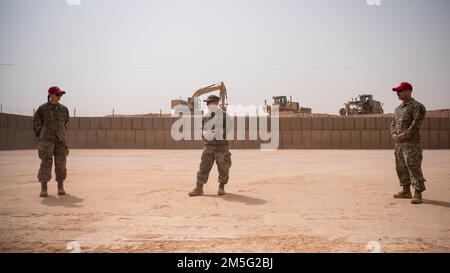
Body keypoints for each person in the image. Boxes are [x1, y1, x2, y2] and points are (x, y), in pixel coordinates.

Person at [390, 82, 427, 204]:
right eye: (397, 92)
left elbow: (416, 124)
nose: (397, 94)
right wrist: (394, 134)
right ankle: (406, 191)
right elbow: (393, 124)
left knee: (413, 167)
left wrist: (404, 135)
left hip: (411, 144)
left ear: (408, 91)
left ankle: (417, 192)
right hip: (399, 145)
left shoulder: (418, 106)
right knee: (400, 167)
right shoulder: (398, 109)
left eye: (400, 91)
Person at [189, 95, 232, 196]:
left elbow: (229, 128)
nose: (209, 105)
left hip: (221, 146)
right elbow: (201, 129)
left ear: (216, 103)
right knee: (204, 166)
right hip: (208, 146)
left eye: (212, 103)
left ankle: (221, 187)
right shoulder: (205, 116)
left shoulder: (224, 115)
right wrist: (204, 134)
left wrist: (218, 132)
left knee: (223, 167)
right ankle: (199, 188)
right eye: (208, 103)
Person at [33, 86, 70, 197]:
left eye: (61, 95)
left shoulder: (64, 109)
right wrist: (42, 136)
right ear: (51, 95)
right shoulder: (42, 109)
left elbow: (66, 123)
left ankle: (60, 186)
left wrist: (61, 134)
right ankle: (44, 188)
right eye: (58, 94)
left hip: (60, 141)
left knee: (61, 164)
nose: (60, 97)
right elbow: (36, 124)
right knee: (46, 163)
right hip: (46, 141)